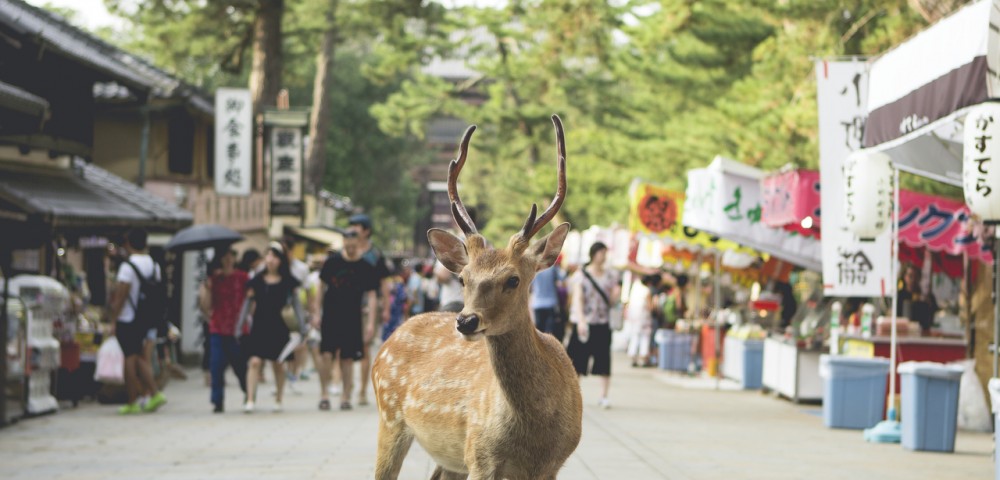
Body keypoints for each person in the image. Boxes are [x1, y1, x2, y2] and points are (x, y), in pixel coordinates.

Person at [312, 231, 379, 411]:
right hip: (331, 315)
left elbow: (372, 295)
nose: (350, 249)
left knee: (348, 358)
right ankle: (324, 393)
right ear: (343, 243)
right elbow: (321, 286)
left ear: (358, 243)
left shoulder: (365, 266)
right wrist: (316, 312)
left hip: (353, 316)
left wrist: (371, 323)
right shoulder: (332, 262)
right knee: (326, 354)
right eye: (347, 245)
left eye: (353, 246)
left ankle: (345, 396)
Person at [235, 242, 304, 413]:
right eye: (268, 256)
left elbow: (297, 306)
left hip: (279, 327)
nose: (270, 260)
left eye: (274, 256)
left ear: (280, 260)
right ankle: (250, 399)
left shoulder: (288, 282)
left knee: (278, 363)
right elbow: (247, 304)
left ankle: (279, 398)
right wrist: (239, 326)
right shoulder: (256, 281)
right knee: (254, 361)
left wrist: (302, 328)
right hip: (259, 326)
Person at [106, 228, 166, 414]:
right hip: (147, 318)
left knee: (130, 359)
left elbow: (122, 294)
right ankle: (153, 393)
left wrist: (113, 318)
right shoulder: (154, 266)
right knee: (142, 357)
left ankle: (133, 400)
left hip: (128, 317)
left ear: (128, 244)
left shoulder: (128, 267)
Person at [567, 241, 620, 409]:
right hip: (585, 323)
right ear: (594, 254)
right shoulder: (581, 275)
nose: (603, 256)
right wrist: (581, 320)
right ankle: (573, 396)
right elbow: (578, 299)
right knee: (577, 362)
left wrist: (617, 295)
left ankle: (604, 396)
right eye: (601, 253)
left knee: (604, 360)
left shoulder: (610, 276)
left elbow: (611, 302)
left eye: (605, 253)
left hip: (603, 322)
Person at [347, 213, 392, 406]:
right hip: (346, 305)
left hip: (367, 306)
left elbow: (383, 282)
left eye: (357, 226)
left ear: (366, 231)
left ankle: (362, 390)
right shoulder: (345, 251)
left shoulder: (375, 254)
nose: (353, 230)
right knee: (345, 348)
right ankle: (345, 387)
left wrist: (386, 308)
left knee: (365, 346)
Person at [199, 248, 249, 413]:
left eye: (230, 257)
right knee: (216, 365)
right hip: (218, 327)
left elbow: (250, 301)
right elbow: (205, 306)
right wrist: (206, 288)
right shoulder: (214, 279)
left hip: (238, 329)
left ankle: (248, 392)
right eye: (224, 257)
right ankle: (217, 400)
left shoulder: (243, 277)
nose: (227, 260)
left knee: (240, 365)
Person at [626, 274, 659, 368]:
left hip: (634, 316)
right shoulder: (647, 291)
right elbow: (650, 306)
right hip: (644, 317)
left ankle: (633, 355)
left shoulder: (635, 288)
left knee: (635, 335)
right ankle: (643, 357)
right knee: (645, 337)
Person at [897, 263, 938, 335]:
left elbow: (933, 312)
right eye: (910, 276)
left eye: (916, 276)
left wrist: (926, 303)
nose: (913, 279)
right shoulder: (899, 296)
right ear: (904, 277)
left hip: (923, 333)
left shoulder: (926, 295)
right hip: (903, 333)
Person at [531, 263, 564, 337]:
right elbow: (562, 278)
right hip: (551, 303)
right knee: (549, 334)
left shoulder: (534, 268)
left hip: (537, 303)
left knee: (539, 332)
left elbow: (530, 285)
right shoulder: (553, 267)